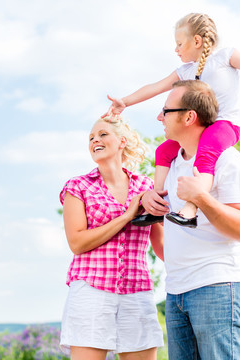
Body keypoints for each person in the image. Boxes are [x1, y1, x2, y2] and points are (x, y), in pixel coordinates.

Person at [104, 12, 240, 228]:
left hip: (225, 125)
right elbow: (155, 87)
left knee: (206, 153)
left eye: (180, 44)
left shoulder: (225, 57)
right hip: (198, 129)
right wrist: (125, 101)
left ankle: (190, 209)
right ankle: (159, 206)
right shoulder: (185, 71)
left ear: (196, 41)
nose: (176, 49)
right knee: (163, 151)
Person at [142, 79, 240, 359]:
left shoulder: (229, 161)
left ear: (189, 116)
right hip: (175, 291)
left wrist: (202, 198)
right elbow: (170, 242)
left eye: (166, 110)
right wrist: (151, 208)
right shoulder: (172, 165)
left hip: (217, 287)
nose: (159, 117)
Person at [59, 115, 164, 360]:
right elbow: (77, 243)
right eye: (91, 138)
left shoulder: (146, 187)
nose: (95, 140)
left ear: (122, 142)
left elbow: (161, 246)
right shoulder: (78, 187)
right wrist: (127, 215)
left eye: (103, 134)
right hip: (91, 291)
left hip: (137, 292)